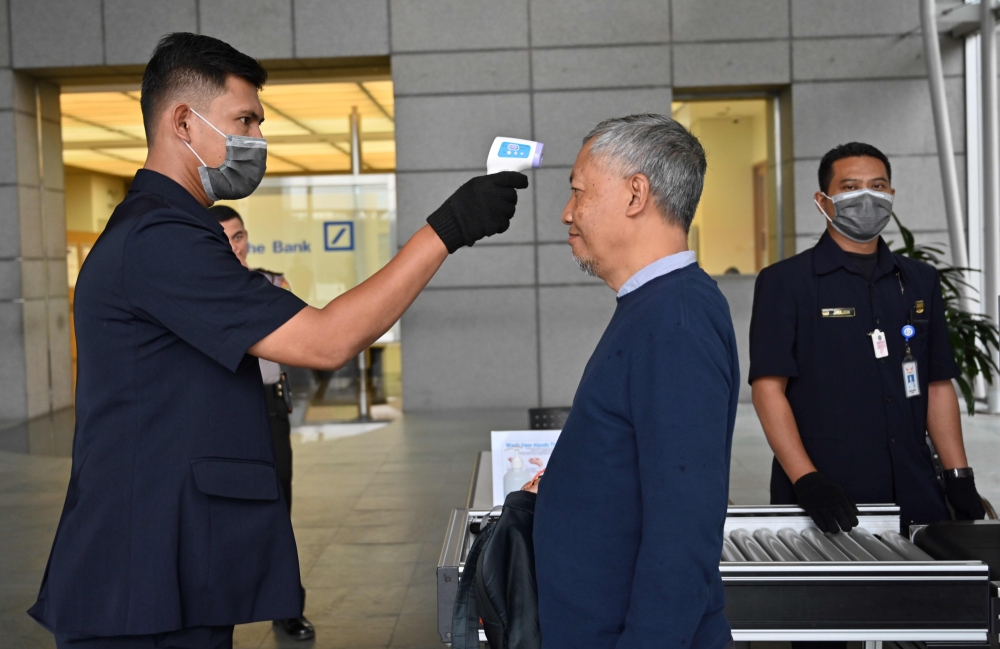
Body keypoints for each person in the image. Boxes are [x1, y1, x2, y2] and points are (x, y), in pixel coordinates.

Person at [29, 32, 527, 649]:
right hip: (139, 582)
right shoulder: (159, 239)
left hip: (165, 569)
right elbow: (324, 341)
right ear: (183, 120)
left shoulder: (173, 231)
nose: (258, 141)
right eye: (244, 120)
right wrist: (445, 231)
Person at [533, 114, 739, 649]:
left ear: (635, 194)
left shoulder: (676, 321)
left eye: (578, 192)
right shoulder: (654, 308)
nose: (567, 212)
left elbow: (683, 531)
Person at [749, 142, 986, 538]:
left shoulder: (919, 280)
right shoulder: (786, 282)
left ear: (890, 196)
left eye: (878, 186)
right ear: (823, 200)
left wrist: (957, 475)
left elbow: (936, 383)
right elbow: (768, 389)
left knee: (929, 599)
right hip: (826, 496)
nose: (867, 198)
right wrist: (807, 480)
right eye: (851, 187)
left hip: (915, 490)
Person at [211, 204, 313, 641]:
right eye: (222, 240)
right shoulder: (200, 291)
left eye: (238, 237)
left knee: (278, 506)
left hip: (268, 406)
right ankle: (214, 611)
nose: (233, 247)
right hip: (218, 410)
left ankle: (287, 607)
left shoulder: (270, 284)